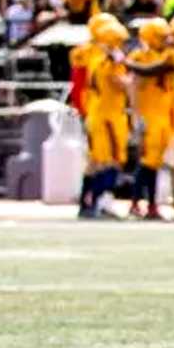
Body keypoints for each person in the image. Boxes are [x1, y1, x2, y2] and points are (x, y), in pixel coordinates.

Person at [67, 15, 135, 220]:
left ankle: (87, 203)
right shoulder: (105, 61)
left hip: (97, 113)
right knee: (110, 161)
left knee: (95, 161)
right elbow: (122, 84)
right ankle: (100, 200)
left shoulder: (93, 56)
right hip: (107, 116)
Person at [125, 18, 174, 221]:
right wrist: (136, 116)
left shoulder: (165, 56)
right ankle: (138, 203)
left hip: (166, 115)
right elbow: (134, 87)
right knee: (148, 162)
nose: (165, 40)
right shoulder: (140, 56)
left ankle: (153, 205)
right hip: (149, 115)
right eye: (161, 36)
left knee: (158, 163)